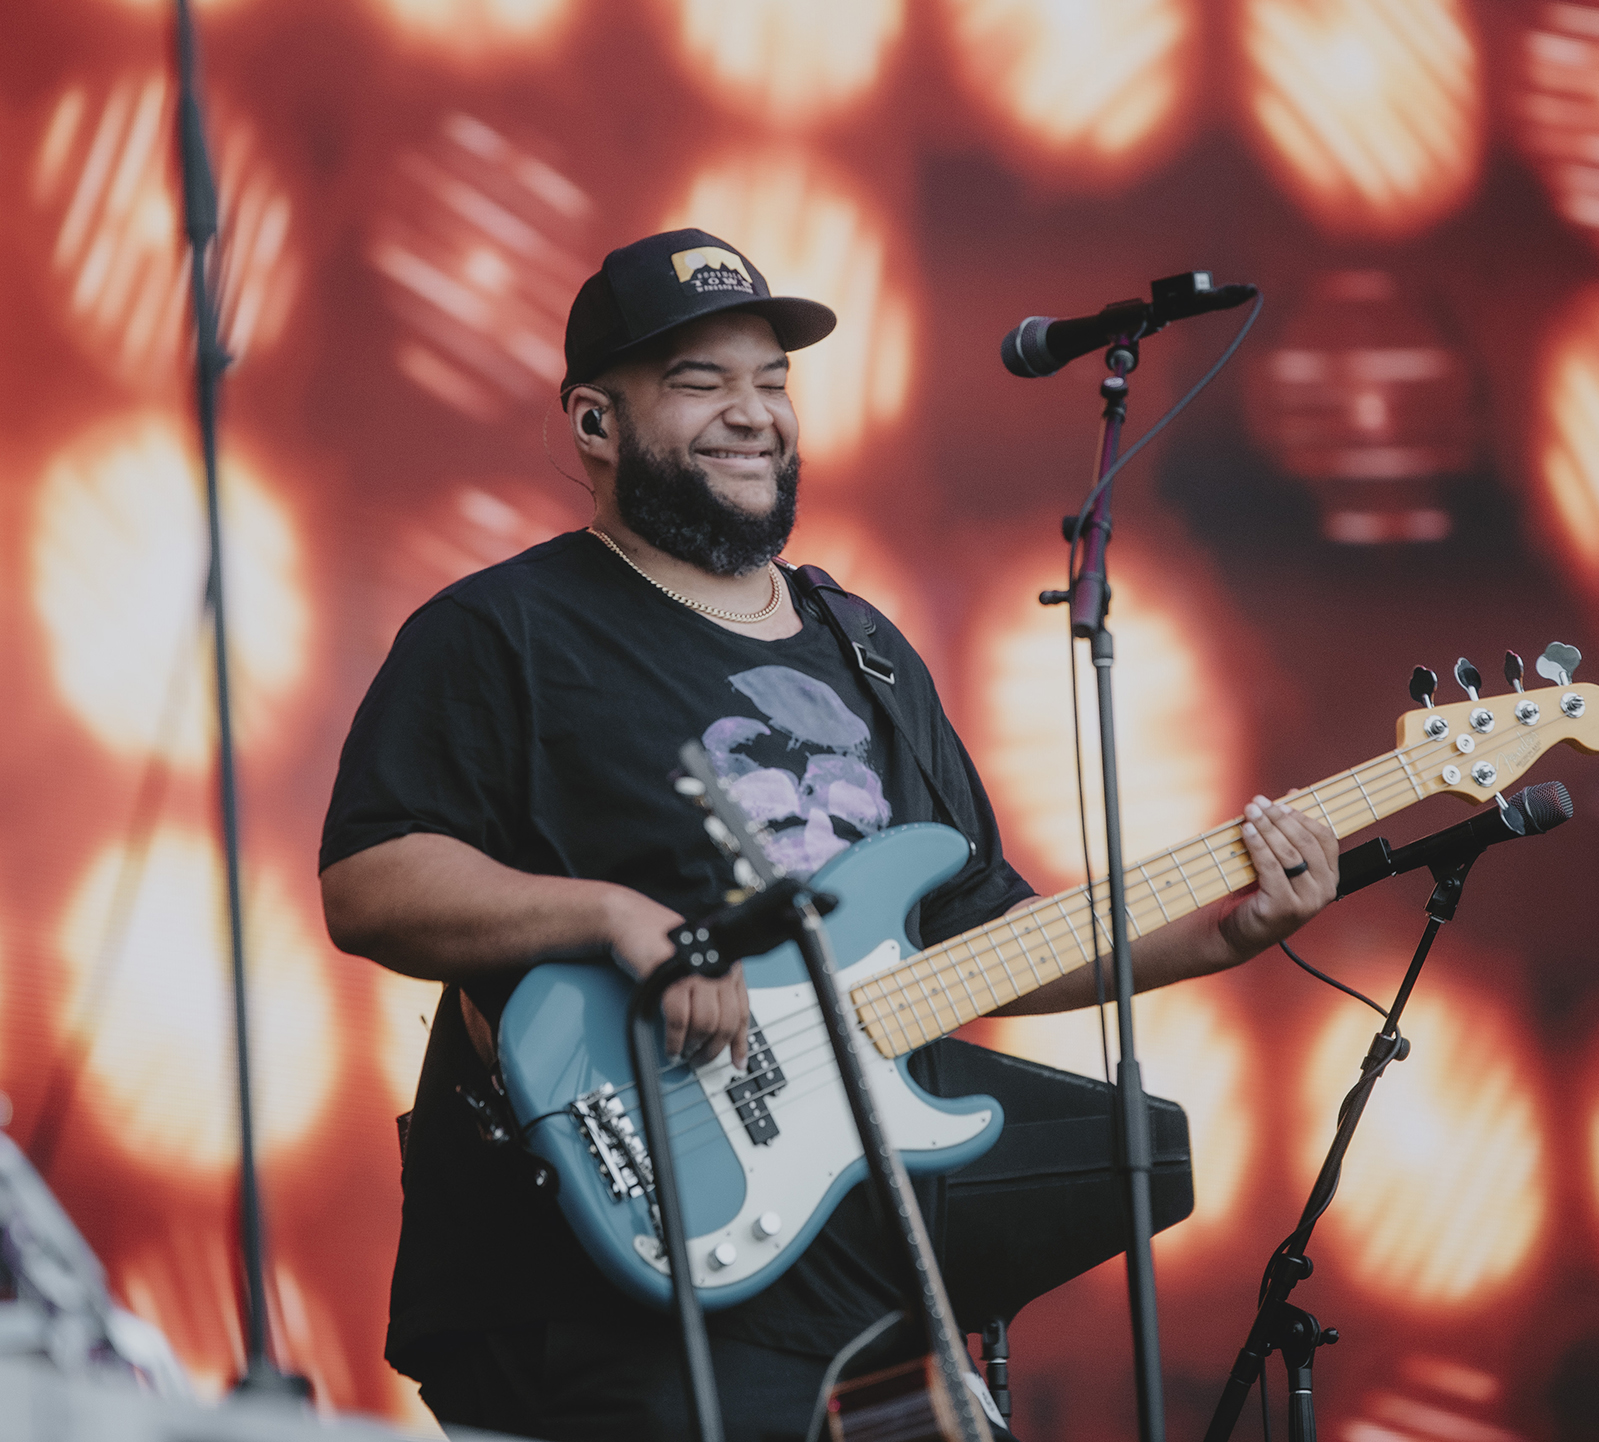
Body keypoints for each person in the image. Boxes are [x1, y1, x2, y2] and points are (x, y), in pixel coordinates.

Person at [319, 229, 1338, 1441]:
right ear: (595, 422)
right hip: (598, 1274)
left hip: (855, 1281)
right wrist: (616, 919)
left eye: (773, 380)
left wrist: (1221, 936)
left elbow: (980, 936)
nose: (753, 413)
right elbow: (369, 881)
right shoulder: (505, 631)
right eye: (701, 381)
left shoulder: (865, 652)